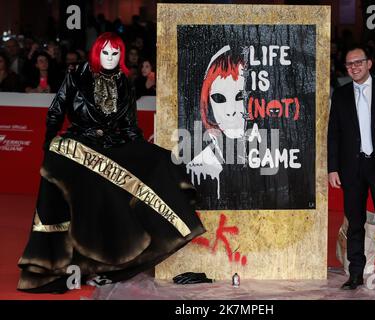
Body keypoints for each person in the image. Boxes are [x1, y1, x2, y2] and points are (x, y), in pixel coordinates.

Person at [17, 32, 205, 293]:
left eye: (115, 53)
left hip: (111, 145)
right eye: (105, 52)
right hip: (79, 144)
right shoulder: (76, 75)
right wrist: (48, 143)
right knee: (86, 190)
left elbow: (129, 126)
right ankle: (77, 263)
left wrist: (141, 148)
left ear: (121, 55)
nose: (110, 57)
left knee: (162, 159)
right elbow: (56, 111)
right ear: (96, 53)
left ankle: (121, 256)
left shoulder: (125, 82)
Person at [327, 46, 375, 293]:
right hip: (352, 168)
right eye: (350, 64)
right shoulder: (340, 95)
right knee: (355, 223)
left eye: (358, 62)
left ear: (369, 64)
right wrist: (333, 169)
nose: (354, 67)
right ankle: (355, 274)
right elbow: (334, 135)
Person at [186, 45, 247, 200]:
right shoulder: (200, 169)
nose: (230, 110)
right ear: (207, 103)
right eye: (219, 98)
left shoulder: (275, 157)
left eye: (240, 96)